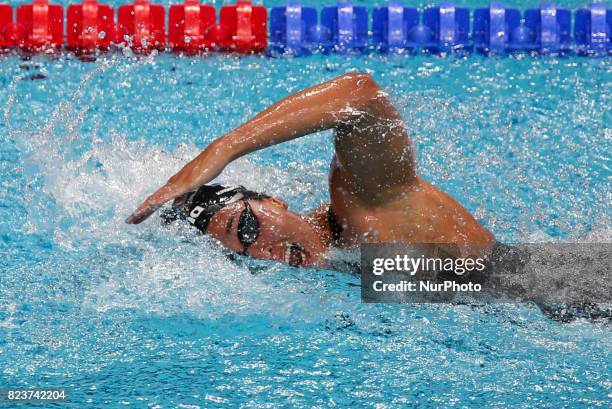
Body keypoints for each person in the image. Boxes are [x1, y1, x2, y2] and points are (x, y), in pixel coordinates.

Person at [126, 73, 495, 268]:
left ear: (273, 200)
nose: (261, 253)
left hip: (532, 287)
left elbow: (361, 95)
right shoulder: (338, 263)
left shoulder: (364, 203)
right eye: (238, 255)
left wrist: (224, 149)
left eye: (247, 228)